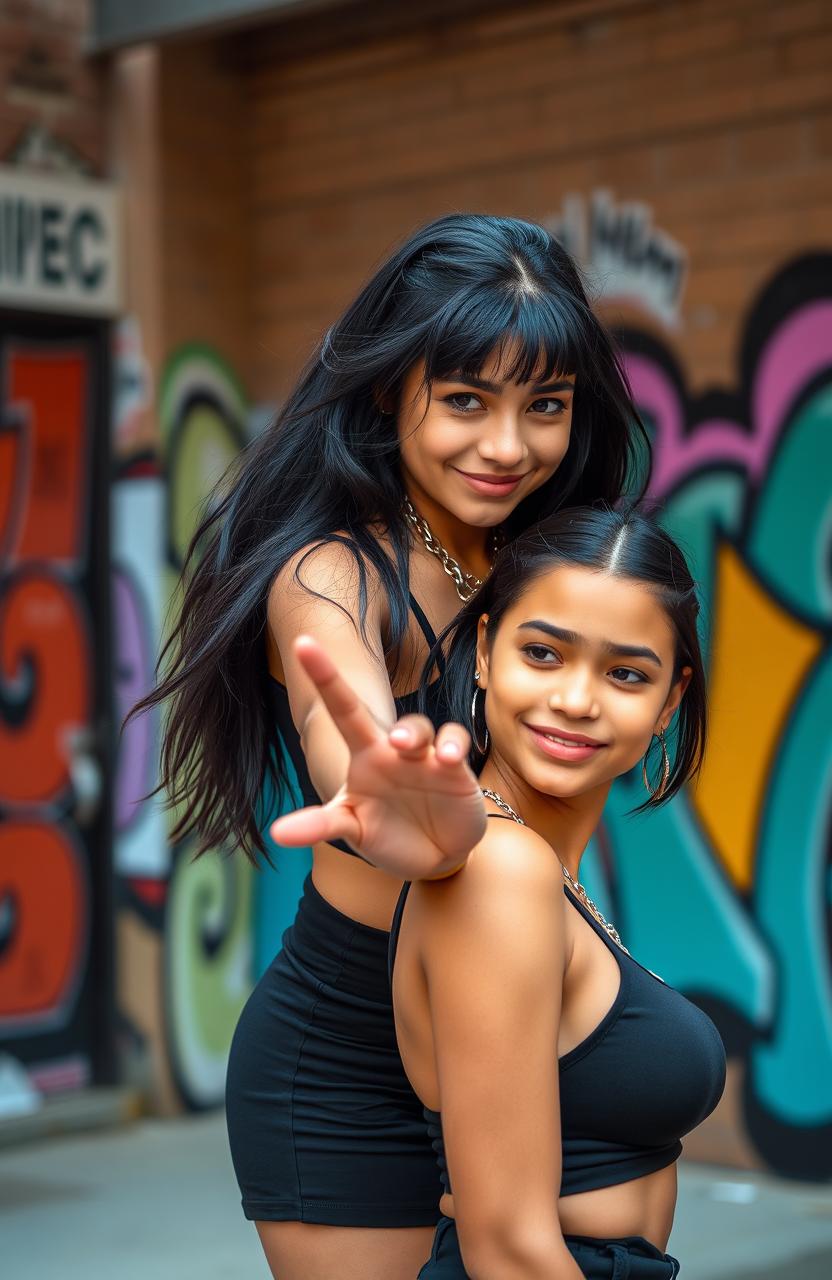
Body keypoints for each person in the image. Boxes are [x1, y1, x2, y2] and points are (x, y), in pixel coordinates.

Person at [136, 215, 648, 1280]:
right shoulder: (333, 568)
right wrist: (376, 782)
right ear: (388, 390)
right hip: (344, 1065)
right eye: (465, 399)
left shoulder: (546, 559)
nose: (506, 446)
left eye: (542, 406)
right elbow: (344, 717)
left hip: (497, 1035)